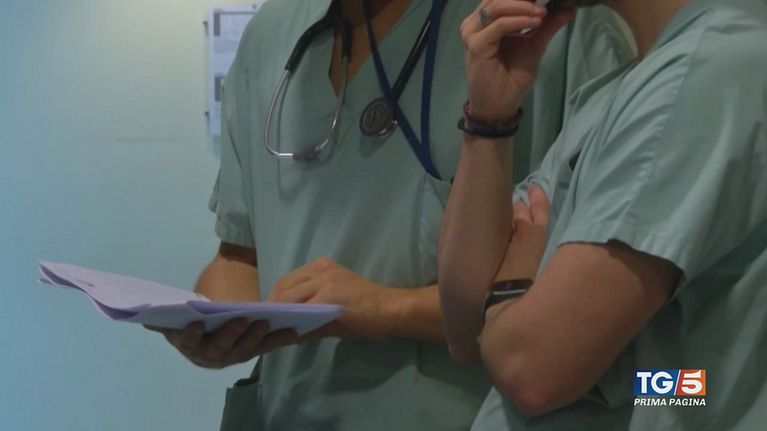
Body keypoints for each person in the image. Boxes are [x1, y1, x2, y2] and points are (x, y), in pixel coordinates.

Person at [147, 0, 633, 430]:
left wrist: (388, 309)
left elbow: (594, 313)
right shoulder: (271, 35)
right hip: (288, 411)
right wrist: (213, 324)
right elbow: (239, 255)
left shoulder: (539, 30)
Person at [438, 0, 767, 430]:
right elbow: (465, 330)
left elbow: (530, 372)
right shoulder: (618, 91)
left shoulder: (710, 72)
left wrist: (508, 295)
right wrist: (489, 120)